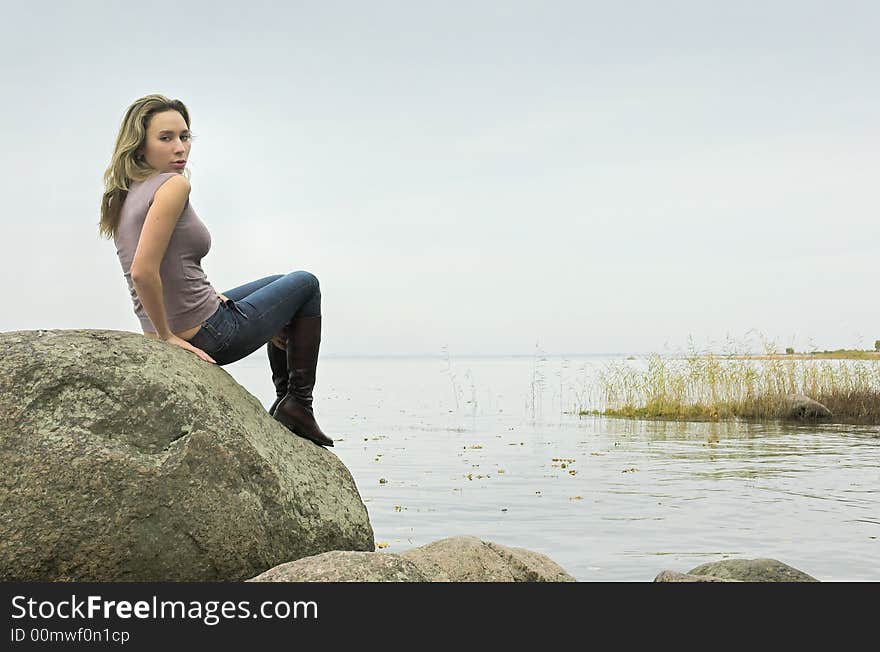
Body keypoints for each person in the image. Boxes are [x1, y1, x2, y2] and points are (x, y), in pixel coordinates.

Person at [98, 94, 333, 447]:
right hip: (209, 333)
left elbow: (171, 268)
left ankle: (288, 402)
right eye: (166, 138)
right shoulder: (173, 186)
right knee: (306, 284)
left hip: (194, 315)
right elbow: (143, 271)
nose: (180, 148)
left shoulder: (124, 194)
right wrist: (167, 337)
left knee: (283, 284)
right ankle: (297, 402)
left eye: (185, 136)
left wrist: (171, 325)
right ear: (139, 146)